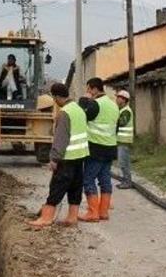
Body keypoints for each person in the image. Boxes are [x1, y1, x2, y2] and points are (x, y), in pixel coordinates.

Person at [28, 82, 88, 228]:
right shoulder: (78, 109)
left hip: (66, 158)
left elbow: (61, 138)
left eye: (53, 97)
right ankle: (72, 217)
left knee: (57, 187)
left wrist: (54, 158)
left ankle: (46, 218)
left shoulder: (64, 113)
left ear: (56, 97)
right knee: (75, 187)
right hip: (80, 156)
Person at [79, 77, 119, 222]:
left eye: (89, 89)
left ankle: (92, 213)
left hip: (96, 148)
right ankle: (103, 212)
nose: (88, 92)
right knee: (105, 180)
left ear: (95, 89)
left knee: (88, 179)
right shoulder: (114, 105)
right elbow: (117, 127)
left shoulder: (95, 104)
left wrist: (84, 101)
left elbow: (83, 117)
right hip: (110, 148)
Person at [115, 90, 134, 189]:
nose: (116, 99)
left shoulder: (126, 111)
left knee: (124, 162)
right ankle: (126, 180)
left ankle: (127, 182)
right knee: (122, 161)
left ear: (123, 99)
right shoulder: (121, 110)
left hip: (124, 141)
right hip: (121, 141)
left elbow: (121, 122)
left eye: (118, 97)